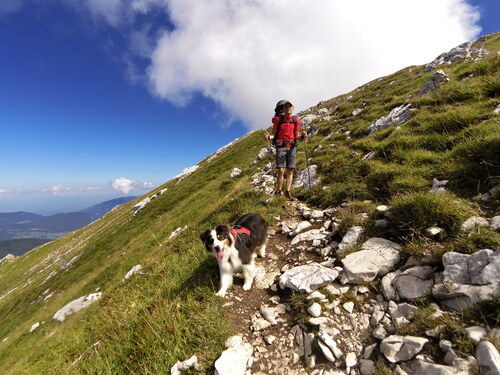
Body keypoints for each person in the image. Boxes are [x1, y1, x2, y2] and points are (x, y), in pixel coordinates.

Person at [264, 100, 306, 201]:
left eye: (290, 106)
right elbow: (274, 134)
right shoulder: (278, 120)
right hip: (281, 147)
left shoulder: (296, 120)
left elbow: (296, 136)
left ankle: (287, 192)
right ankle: (279, 191)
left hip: (292, 147)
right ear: (283, 109)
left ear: (293, 108)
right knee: (281, 170)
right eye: (286, 106)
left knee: (290, 170)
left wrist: (303, 136)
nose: (288, 108)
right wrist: (268, 136)